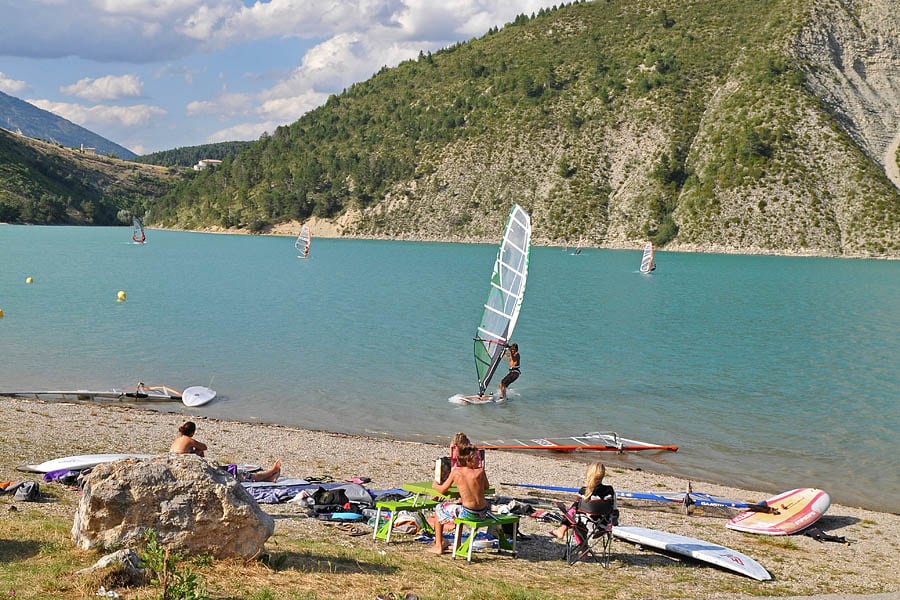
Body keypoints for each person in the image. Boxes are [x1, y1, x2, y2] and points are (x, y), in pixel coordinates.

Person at [427, 446, 490, 555]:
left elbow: (442, 490)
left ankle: (439, 545)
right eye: (476, 458)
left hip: (468, 514)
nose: (479, 460)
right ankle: (457, 544)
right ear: (468, 460)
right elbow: (486, 487)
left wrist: (434, 485)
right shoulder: (480, 471)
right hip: (483, 513)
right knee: (458, 507)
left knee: (439, 508)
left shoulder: (456, 472)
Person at [170, 421, 281, 482]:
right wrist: (198, 451)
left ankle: (268, 477)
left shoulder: (177, 440)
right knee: (238, 474)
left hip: (179, 466)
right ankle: (271, 473)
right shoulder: (189, 440)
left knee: (232, 470)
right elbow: (204, 447)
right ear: (192, 432)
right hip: (190, 469)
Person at [550, 462, 615, 540]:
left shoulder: (583, 491)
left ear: (588, 474)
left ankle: (563, 529)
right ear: (603, 475)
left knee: (574, 516)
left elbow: (574, 509)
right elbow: (614, 509)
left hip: (585, 526)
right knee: (577, 515)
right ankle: (563, 530)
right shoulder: (609, 491)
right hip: (604, 527)